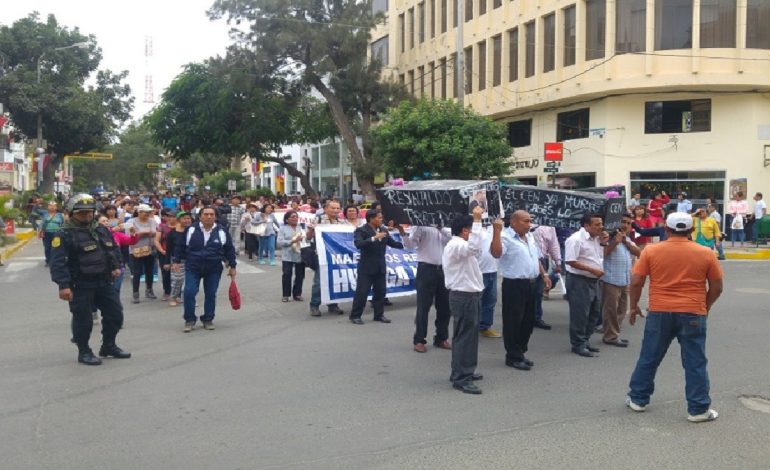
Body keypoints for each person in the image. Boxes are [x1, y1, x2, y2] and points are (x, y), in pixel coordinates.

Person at [626, 213, 723, 423]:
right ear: (691, 231)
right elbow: (717, 287)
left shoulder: (651, 250)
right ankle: (698, 410)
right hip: (693, 312)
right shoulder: (705, 253)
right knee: (695, 362)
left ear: (666, 229)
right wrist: (703, 307)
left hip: (659, 311)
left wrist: (633, 307)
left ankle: (638, 399)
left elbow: (636, 282)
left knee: (649, 356)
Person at [49, 194, 130, 366]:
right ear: (71, 213)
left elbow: (113, 249)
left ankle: (108, 345)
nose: (86, 216)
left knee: (115, 314)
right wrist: (63, 286)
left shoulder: (100, 230)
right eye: (81, 213)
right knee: (83, 320)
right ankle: (84, 351)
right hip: (80, 285)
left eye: (89, 213)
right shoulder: (63, 234)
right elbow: (57, 263)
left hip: (104, 281)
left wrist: (116, 266)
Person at [491, 211, 551, 371]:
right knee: (513, 321)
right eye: (526, 221)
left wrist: (544, 274)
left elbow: (536, 257)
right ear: (514, 222)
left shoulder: (530, 236)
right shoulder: (505, 237)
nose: (529, 224)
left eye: (530, 221)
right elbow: (496, 253)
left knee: (528, 321)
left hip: (531, 283)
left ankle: (521, 352)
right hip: (514, 285)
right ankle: (513, 356)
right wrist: (496, 231)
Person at [172, 207, 237, 332]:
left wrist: (233, 266)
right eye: (206, 214)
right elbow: (180, 246)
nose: (209, 217)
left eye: (211, 214)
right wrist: (176, 261)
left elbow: (229, 249)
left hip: (214, 268)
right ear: (200, 216)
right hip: (193, 267)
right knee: (189, 292)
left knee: (211, 294)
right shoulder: (191, 229)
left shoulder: (222, 231)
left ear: (215, 217)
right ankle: (189, 319)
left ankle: (208, 319)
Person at [443, 208, 485, 395]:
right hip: (464, 296)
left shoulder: (457, 244)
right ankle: (462, 377)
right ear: (465, 230)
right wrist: (477, 220)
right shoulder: (457, 245)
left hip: (468, 295)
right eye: (472, 229)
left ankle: (462, 370)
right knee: (465, 337)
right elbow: (475, 247)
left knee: (467, 336)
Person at [402, 224, 452, 353]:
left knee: (445, 307)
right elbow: (409, 245)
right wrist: (403, 232)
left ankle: (441, 337)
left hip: (443, 269)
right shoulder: (420, 226)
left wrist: (441, 228)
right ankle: (419, 339)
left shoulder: (445, 227)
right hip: (426, 268)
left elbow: (452, 240)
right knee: (423, 306)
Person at [348, 211, 404, 325]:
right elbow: (359, 244)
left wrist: (406, 239)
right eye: (379, 218)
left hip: (380, 266)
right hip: (366, 267)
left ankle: (379, 315)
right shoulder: (361, 230)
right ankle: (355, 315)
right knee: (362, 293)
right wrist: (374, 238)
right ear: (371, 219)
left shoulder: (384, 230)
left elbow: (393, 243)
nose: (381, 220)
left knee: (380, 292)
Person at [565, 213, 607, 358]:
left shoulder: (597, 239)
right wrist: (592, 270)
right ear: (586, 226)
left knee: (595, 312)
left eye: (601, 224)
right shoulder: (575, 239)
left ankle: (585, 340)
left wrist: (604, 243)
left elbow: (598, 257)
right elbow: (570, 261)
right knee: (580, 313)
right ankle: (578, 344)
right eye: (597, 225)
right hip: (579, 280)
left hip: (594, 280)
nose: (601, 227)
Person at [600, 213, 641, 347]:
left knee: (621, 310)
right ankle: (610, 336)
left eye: (629, 223)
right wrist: (616, 241)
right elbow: (603, 253)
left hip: (624, 280)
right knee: (611, 309)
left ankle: (613, 333)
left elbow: (638, 252)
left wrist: (624, 241)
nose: (626, 225)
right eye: (623, 222)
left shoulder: (628, 240)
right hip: (611, 279)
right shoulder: (607, 238)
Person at [306, 200, 346, 317]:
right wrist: (311, 229)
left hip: (336, 256)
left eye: (337, 208)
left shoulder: (342, 222)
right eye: (333, 208)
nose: (335, 211)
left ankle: (333, 304)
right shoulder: (318, 220)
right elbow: (308, 238)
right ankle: (314, 305)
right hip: (322, 255)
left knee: (335, 280)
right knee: (319, 281)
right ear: (326, 209)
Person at [125, 204, 159, 303]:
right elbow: (130, 236)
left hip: (149, 249)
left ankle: (149, 290)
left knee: (150, 271)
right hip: (135, 250)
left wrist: (143, 232)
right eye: (145, 212)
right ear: (139, 212)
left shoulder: (152, 221)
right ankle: (135, 294)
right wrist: (144, 232)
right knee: (137, 272)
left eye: (149, 212)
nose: (148, 214)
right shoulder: (131, 222)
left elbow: (155, 233)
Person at [531, 224, 561, 329]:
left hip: (543, 258)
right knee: (523, 289)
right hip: (527, 258)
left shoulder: (549, 226)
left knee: (538, 291)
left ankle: (536, 318)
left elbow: (553, 244)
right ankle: (522, 317)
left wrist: (557, 262)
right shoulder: (526, 223)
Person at [477, 220, 501, 338]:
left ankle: (485, 326)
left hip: (493, 269)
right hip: (479, 270)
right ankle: (472, 327)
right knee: (477, 301)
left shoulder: (494, 227)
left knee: (490, 300)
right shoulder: (475, 227)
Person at [277, 210, 306, 302]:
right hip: (288, 255)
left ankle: (297, 294)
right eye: (292, 217)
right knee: (287, 274)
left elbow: (307, 239)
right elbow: (279, 242)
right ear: (287, 219)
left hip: (300, 254)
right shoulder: (283, 228)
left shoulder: (301, 227)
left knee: (300, 275)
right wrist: (292, 241)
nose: (295, 218)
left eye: (296, 217)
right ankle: (286, 295)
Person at [167, 211, 192, 306]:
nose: (187, 220)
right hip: (177, 260)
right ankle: (173, 297)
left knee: (190, 280)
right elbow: (169, 249)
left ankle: (186, 298)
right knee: (177, 280)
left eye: (188, 218)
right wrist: (168, 262)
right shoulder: (172, 233)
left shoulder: (193, 230)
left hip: (191, 259)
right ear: (179, 220)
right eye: (184, 218)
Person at [40, 201, 66, 266]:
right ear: (48, 207)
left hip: (57, 234)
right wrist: (40, 231)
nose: (52, 207)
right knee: (47, 248)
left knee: (56, 248)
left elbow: (63, 224)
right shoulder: (45, 215)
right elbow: (42, 224)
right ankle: (48, 261)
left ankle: (56, 260)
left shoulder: (60, 215)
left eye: (54, 206)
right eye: (50, 206)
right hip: (47, 233)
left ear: (56, 207)